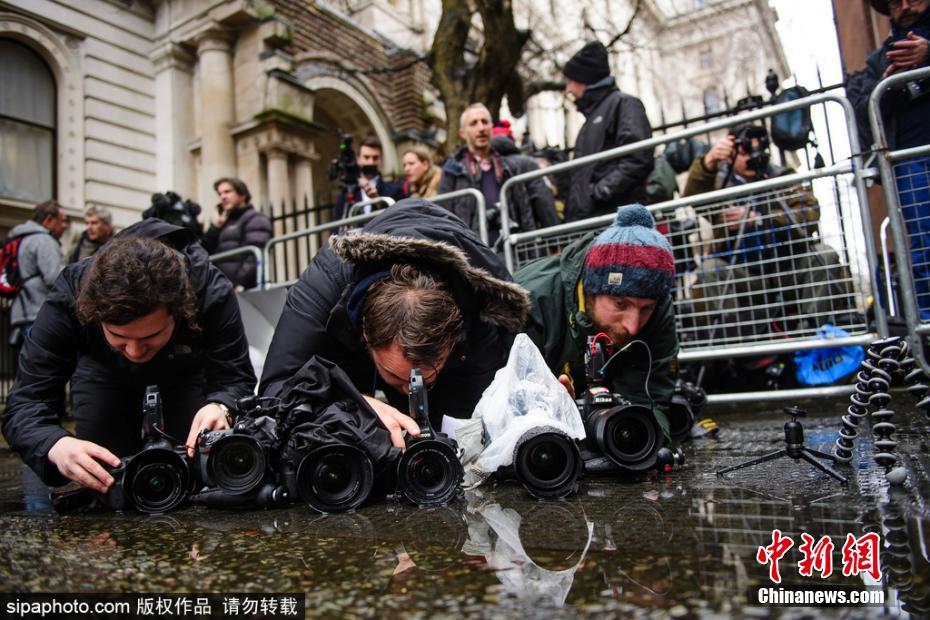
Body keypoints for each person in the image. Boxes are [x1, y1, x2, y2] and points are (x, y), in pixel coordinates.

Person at [1, 219, 257, 494]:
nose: (135, 351)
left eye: (149, 336)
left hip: (186, 370)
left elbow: (234, 376)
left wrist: (221, 405)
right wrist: (54, 443)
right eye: (120, 337)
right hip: (102, 370)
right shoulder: (70, 295)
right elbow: (25, 402)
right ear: (92, 315)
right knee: (106, 474)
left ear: (181, 310)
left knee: (195, 467)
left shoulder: (210, 290)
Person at [259, 199, 530, 448]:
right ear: (365, 331)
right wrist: (351, 406)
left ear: (454, 338)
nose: (414, 390)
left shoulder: (483, 308)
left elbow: (507, 399)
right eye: (399, 378)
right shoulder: (326, 281)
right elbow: (275, 391)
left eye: (427, 378)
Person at [514, 204, 678, 438]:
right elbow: (493, 401)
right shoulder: (530, 299)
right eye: (620, 304)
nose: (633, 325)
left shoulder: (659, 308)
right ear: (590, 290)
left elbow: (652, 398)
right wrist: (547, 411)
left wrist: (643, 440)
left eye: (646, 309)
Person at [684, 123, 854, 336]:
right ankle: (737, 345)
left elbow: (808, 214)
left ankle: (809, 334)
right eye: (745, 151)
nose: (752, 157)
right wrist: (708, 162)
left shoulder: (783, 178)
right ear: (730, 155)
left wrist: (759, 219)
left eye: (758, 149)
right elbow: (693, 196)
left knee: (824, 255)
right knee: (710, 269)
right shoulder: (721, 184)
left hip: (789, 267)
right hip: (743, 274)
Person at [848, 0, 930, 316]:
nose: (906, 6)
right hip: (910, 160)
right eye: (896, 1)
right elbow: (864, 110)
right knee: (923, 248)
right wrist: (890, 83)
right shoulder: (879, 59)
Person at [438, 103, 558, 245]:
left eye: (485, 122)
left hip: (515, 251)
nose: (481, 128)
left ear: (491, 127)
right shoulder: (453, 172)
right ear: (462, 133)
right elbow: (443, 218)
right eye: (473, 123)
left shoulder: (512, 167)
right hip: (474, 255)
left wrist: (552, 243)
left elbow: (537, 210)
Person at [562, 41, 654, 222]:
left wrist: (598, 193)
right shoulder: (592, 117)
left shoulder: (624, 104)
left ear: (584, 80)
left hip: (616, 220)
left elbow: (638, 158)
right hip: (597, 221)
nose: (568, 89)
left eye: (570, 81)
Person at [9, 200, 69, 346]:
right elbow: (55, 277)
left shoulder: (20, 238)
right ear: (49, 219)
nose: (65, 226)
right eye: (62, 221)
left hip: (21, 312)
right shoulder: (44, 240)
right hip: (40, 313)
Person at [202, 177, 272, 290]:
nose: (222, 197)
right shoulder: (222, 223)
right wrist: (215, 227)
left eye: (227, 192)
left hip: (241, 290)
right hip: (220, 289)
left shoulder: (255, 219)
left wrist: (238, 284)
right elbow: (202, 252)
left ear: (242, 194)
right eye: (219, 194)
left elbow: (253, 257)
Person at [333, 135, 405, 220]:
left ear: (380, 160)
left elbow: (399, 220)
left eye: (375, 158)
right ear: (358, 159)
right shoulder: (346, 193)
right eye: (366, 157)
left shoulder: (395, 191)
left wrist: (378, 201)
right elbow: (336, 227)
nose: (371, 162)